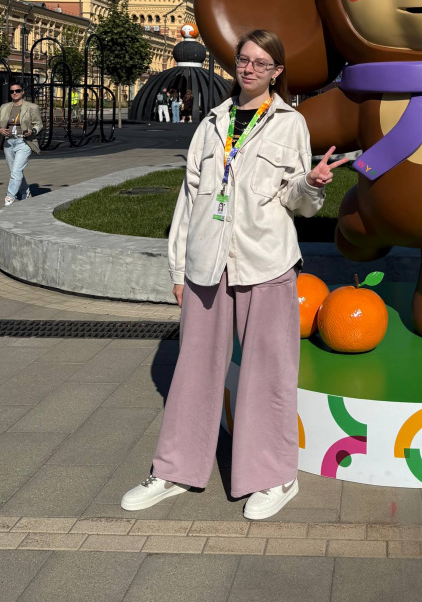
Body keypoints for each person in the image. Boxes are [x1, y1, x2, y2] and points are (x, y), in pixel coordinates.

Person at [121, 29, 347, 521]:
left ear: (277, 71)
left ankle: (273, 476)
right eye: (244, 60)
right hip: (207, 261)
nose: (249, 69)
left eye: (261, 63)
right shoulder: (212, 122)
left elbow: (298, 204)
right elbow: (190, 198)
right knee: (194, 370)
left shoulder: (290, 124)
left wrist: (312, 183)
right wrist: (179, 267)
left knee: (268, 372)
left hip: (265, 260)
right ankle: (175, 469)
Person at [0, 81, 43, 205]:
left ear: (23, 92)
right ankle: (25, 192)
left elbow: (39, 124)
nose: (14, 93)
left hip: (24, 142)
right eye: (12, 91)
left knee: (16, 171)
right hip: (8, 142)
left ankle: (9, 197)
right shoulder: (5, 107)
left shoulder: (32, 107)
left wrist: (33, 131)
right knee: (15, 171)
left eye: (17, 91)